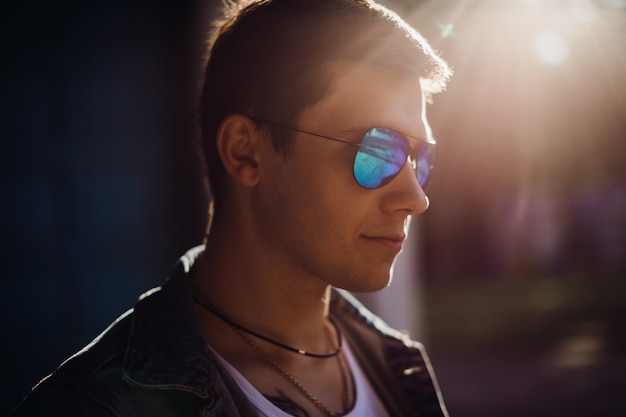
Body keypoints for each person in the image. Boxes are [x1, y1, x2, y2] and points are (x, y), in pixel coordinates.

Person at [13, 0, 452, 416]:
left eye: (419, 159)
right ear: (246, 152)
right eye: (379, 151)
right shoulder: (97, 405)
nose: (415, 198)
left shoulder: (399, 368)